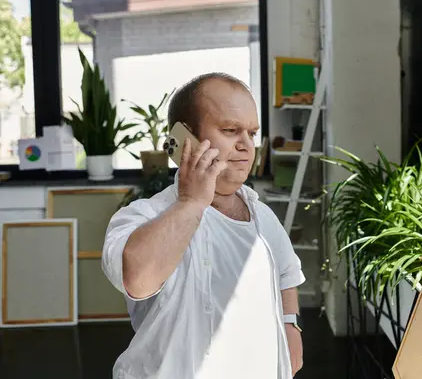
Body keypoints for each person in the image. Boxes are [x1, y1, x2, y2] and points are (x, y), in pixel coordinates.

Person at [101, 73, 306, 379]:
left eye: (251, 133)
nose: (246, 146)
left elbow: (286, 272)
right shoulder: (141, 216)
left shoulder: (262, 215)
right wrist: (191, 203)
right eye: (230, 130)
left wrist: (290, 324)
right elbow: (137, 280)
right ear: (184, 139)